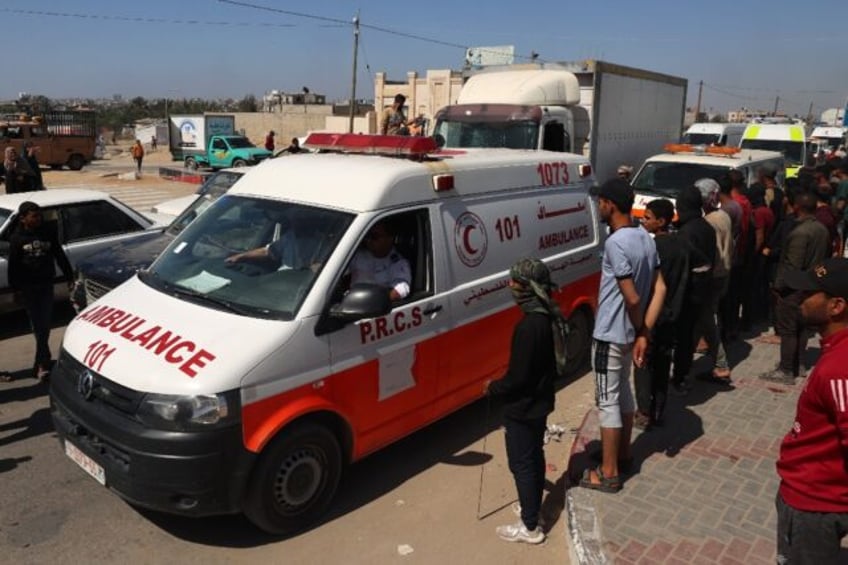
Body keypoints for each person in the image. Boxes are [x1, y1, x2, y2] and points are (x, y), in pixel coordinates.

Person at [580, 178, 666, 492]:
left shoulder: (616, 243)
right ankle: (624, 454)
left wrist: (639, 326)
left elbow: (631, 297)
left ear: (610, 204)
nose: (598, 206)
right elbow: (660, 288)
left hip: (610, 335)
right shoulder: (645, 236)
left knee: (607, 401)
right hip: (630, 335)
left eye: (600, 201)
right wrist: (644, 331)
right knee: (624, 394)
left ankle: (609, 472)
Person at [773, 257, 848, 564]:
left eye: (809, 294)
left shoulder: (839, 369)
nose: (799, 299)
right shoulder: (835, 352)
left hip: (814, 504)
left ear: (836, 306)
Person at [483, 258, 564, 544]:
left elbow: (518, 378)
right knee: (534, 457)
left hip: (524, 407)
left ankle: (530, 526)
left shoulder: (529, 327)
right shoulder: (544, 317)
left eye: (515, 281)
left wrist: (493, 387)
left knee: (522, 463)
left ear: (528, 287)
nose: (510, 286)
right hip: (539, 403)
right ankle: (532, 508)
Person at [760, 191, 831, 385]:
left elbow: (793, 265)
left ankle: (785, 370)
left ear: (797, 207)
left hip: (795, 289)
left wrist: (779, 287)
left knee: (789, 330)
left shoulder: (800, 233)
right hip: (812, 286)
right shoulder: (821, 229)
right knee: (802, 328)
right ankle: (798, 364)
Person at [634, 198, 689, 428]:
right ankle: (659, 410)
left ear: (661, 221)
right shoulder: (682, 245)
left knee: (643, 364)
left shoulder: (654, 248)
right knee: (663, 364)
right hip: (673, 315)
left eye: (647, 218)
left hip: (653, 316)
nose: (643, 221)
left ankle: (644, 412)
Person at [8, 201, 74, 380]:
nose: (38, 219)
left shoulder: (47, 234)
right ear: (23, 219)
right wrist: (16, 290)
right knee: (39, 327)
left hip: (46, 285)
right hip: (29, 288)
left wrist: (69, 277)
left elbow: (59, 255)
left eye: (39, 215)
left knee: (43, 327)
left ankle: (41, 363)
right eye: (34, 216)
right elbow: (13, 266)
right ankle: (42, 363)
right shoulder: (17, 239)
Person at [671, 184, 716, 395]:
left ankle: (680, 378)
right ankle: (683, 373)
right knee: (688, 336)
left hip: (688, 294)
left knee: (683, 338)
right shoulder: (705, 226)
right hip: (703, 290)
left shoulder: (687, 232)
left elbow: (683, 266)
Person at [694, 178, 733, 383]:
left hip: (712, 277)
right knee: (705, 318)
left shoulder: (709, 222)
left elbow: (710, 254)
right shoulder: (723, 216)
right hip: (723, 274)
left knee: (707, 320)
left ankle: (721, 364)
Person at [348, 220, 411, 301]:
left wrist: (376, 302)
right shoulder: (358, 255)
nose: (369, 240)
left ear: (389, 238)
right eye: (367, 236)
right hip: (351, 300)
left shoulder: (398, 263)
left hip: (372, 307)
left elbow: (400, 290)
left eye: (374, 237)